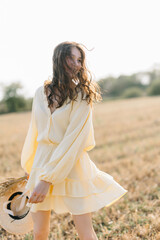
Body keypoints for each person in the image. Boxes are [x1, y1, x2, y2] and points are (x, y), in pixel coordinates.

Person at [21, 41, 128, 240]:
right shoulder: (39, 93)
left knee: (85, 231)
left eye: (80, 60)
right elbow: (34, 133)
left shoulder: (82, 95)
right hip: (41, 164)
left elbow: (73, 141)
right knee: (39, 232)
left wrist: (47, 180)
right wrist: (30, 168)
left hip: (72, 166)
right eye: (72, 58)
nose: (77, 64)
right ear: (59, 59)